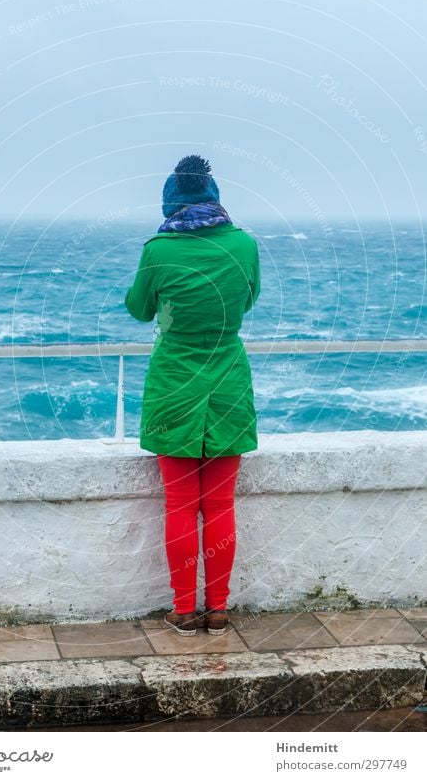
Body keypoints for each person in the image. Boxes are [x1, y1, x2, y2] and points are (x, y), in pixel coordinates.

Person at [125, 155, 261, 637]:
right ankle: (218, 610)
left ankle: (184, 610)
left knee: (180, 505)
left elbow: (139, 309)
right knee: (220, 505)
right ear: (215, 197)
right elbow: (248, 299)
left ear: (169, 201)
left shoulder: (158, 250)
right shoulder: (244, 245)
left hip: (173, 386)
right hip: (228, 380)